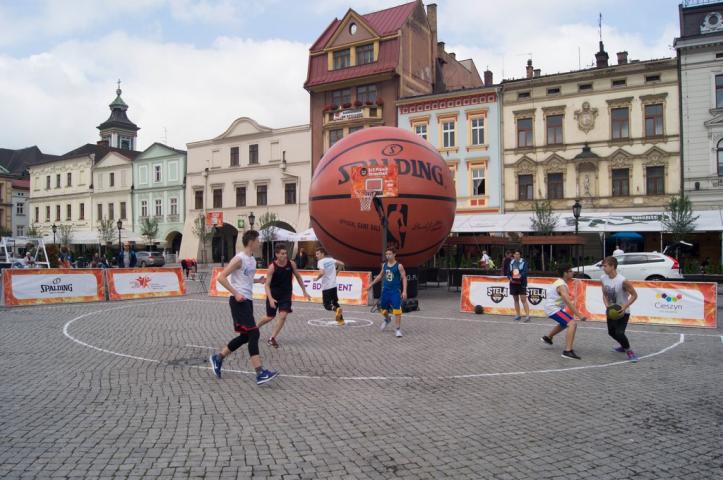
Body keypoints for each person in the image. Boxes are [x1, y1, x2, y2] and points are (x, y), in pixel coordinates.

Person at [209, 230, 278, 385]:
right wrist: (236, 293)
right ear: (251, 241)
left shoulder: (252, 260)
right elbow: (221, 277)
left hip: (248, 300)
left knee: (245, 337)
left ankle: (218, 357)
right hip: (238, 301)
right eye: (258, 240)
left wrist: (257, 281)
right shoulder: (239, 258)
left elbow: (245, 278)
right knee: (254, 333)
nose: (260, 243)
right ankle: (260, 372)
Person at [256, 244, 311, 348]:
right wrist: (271, 299)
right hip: (273, 295)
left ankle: (272, 338)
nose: (285, 255)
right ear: (277, 254)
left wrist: (304, 291)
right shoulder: (272, 267)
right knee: (269, 317)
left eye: (285, 253)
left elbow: (298, 277)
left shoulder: (291, 264)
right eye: (282, 253)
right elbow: (267, 285)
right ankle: (255, 328)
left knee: (283, 316)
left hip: (286, 295)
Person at [541, 265, 587, 360]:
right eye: (570, 271)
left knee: (565, 323)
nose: (572, 273)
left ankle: (548, 337)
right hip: (552, 308)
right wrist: (579, 315)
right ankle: (567, 351)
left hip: (552, 308)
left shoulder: (561, 282)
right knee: (572, 324)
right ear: (565, 273)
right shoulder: (562, 285)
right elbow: (568, 302)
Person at [600, 256, 639, 363]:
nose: (603, 268)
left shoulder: (622, 281)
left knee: (620, 333)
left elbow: (635, 295)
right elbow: (604, 294)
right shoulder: (603, 278)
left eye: (605, 266)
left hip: (622, 312)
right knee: (611, 332)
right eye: (603, 266)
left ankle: (629, 351)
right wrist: (607, 306)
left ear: (613, 266)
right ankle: (623, 345)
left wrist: (624, 307)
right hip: (611, 311)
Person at [368, 247, 408, 338]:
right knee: (383, 310)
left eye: (390, 254)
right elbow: (380, 276)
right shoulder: (384, 265)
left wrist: (404, 291)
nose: (388, 256)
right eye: (386, 254)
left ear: (394, 254)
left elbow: (404, 278)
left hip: (395, 291)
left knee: (397, 310)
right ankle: (387, 319)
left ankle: (397, 329)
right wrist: (371, 284)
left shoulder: (399, 266)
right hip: (385, 290)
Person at [314, 247, 345, 326]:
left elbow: (322, 272)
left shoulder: (320, 262)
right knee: (335, 302)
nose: (316, 256)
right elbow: (342, 264)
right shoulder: (331, 259)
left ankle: (336, 309)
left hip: (326, 286)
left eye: (318, 254)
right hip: (333, 286)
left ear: (322, 254)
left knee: (327, 305)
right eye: (316, 254)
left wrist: (316, 278)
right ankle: (341, 320)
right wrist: (337, 271)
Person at [508, 249, 530, 322]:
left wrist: (519, 276)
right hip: (513, 283)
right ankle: (518, 315)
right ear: (513, 255)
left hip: (522, 283)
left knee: (523, 299)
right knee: (516, 300)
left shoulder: (524, 262)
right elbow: (508, 272)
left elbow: (525, 272)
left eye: (518, 254)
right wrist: (510, 278)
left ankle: (527, 316)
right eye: (515, 254)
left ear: (520, 255)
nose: (516, 256)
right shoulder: (511, 262)